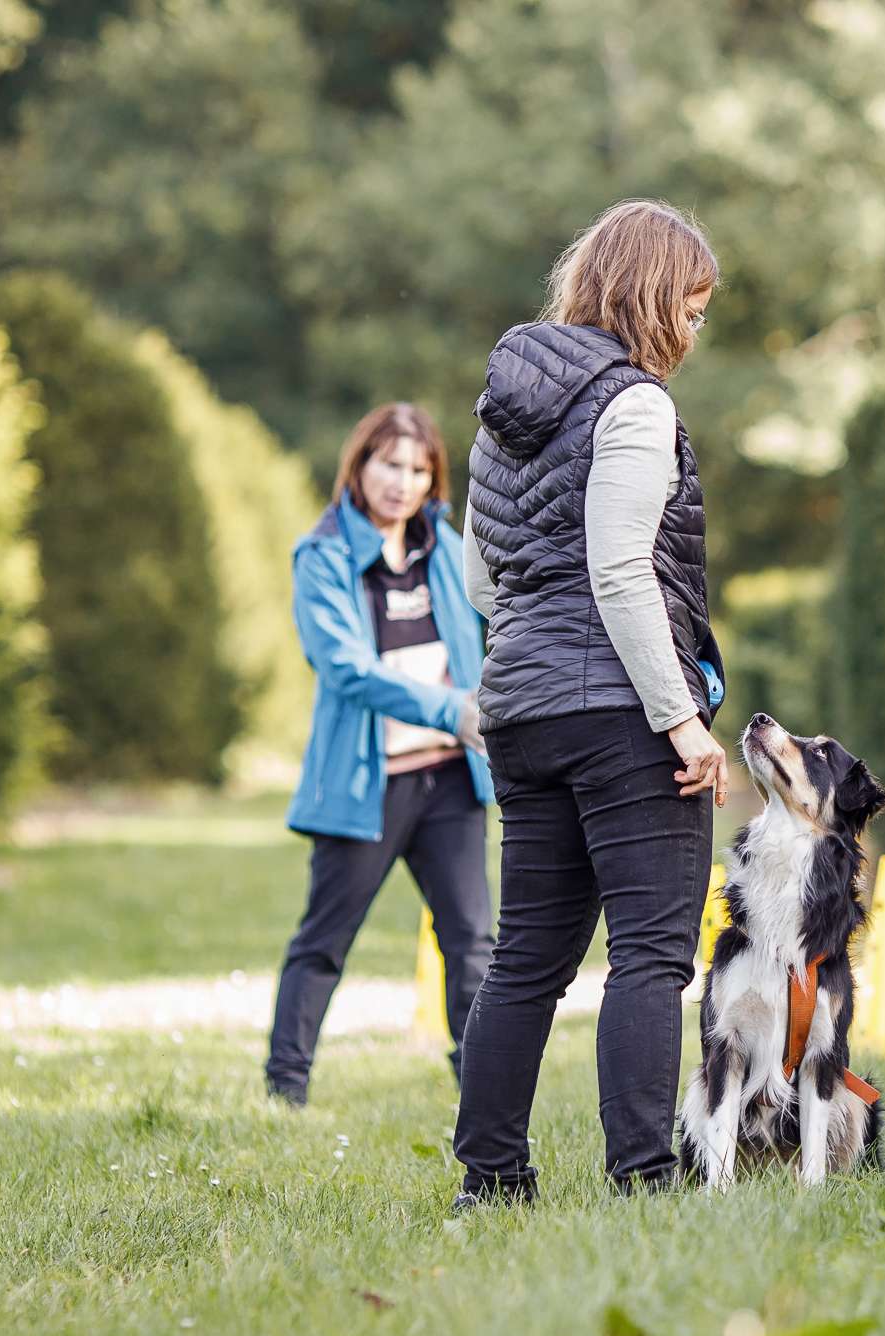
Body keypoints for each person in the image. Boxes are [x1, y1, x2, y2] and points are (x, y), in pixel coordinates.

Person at [453, 199, 729, 1205]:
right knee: (650, 953)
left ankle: (490, 1180)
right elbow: (619, 572)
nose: (694, 328)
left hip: (521, 713)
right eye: (690, 306)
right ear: (651, 296)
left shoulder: (502, 412)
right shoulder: (634, 405)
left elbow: (480, 582)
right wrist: (681, 721)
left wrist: (540, 646)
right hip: (620, 715)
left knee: (526, 957)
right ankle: (643, 1180)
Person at [267, 402, 495, 1106]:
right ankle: (285, 1089)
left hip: (450, 782)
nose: (402, 483)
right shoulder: (323, 555)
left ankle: (483, 1092)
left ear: (434, 481)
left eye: (418, 470)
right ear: (359, 465)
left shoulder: (448, 548)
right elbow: (347, 669)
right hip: (366, 786)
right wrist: (451, 709)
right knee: (325, 941)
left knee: (473, 944)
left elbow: (488, 635)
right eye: (389, 464)